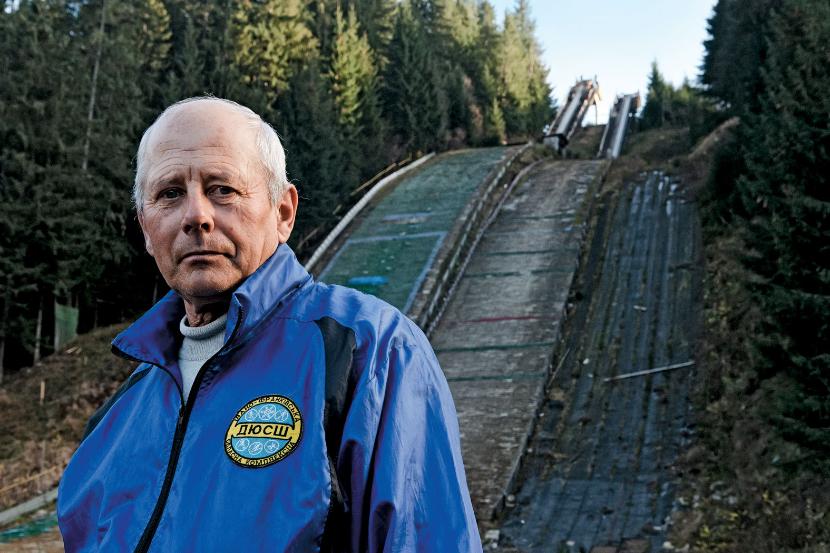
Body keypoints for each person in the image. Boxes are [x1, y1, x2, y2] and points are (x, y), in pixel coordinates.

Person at [57, 97, 482, 552]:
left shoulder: (369, 351)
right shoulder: (115, 421)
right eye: (170, 194)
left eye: (223, 189)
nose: (196, 216)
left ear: (283, 212)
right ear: (145, 227)